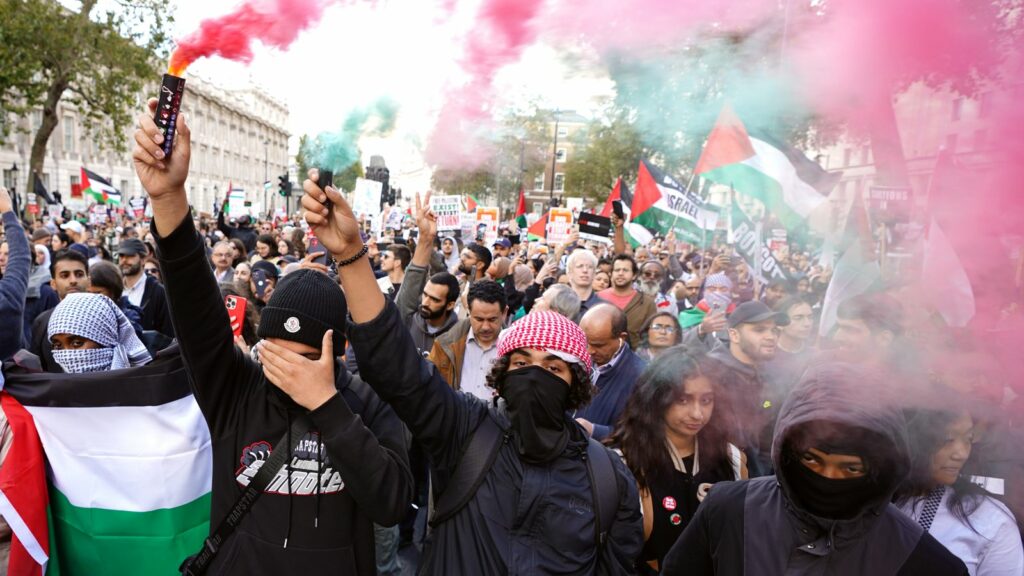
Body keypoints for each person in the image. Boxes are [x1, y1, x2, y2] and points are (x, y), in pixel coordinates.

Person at [299, 170, 643, 572]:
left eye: (552, 367)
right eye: (521, 364)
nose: (535, 376)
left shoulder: (606, 478)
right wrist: (351, 254)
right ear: (502, 374)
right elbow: (395, 366)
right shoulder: (465, 430)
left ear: (576, 384)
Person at [132, 102, 413, 575]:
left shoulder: (368, 404)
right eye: (276, 354)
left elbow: (392, 504)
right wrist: (168, 198)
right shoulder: (237, 390)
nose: (288, 371)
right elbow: (197, 310)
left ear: (338, 351)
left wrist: (328, 406)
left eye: (306, 358)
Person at [661, 362, 969, 575]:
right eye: (812, 460)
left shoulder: (919, 557)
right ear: (788, 453)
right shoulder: (729, 509)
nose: (828, 478)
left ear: (879, 471)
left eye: (850, 469)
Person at [610, 351, 746, 573]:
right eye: (683, 400)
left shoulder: (731, 458)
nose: (697, 414)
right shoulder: (625, 463)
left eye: (706, 400)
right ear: (656, 398)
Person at [895, 410, 1023, 576]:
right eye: (948, 439)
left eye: (969, 438)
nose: (962, 454)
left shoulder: (991, 520)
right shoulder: (875, 500)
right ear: (912, 437)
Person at [703, 301, 788, 477]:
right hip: (717, 479)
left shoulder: (771, 376)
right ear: (734, 335)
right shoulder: (708, 373)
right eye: (759, 330)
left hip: (759, 480)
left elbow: (768, 433)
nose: (771, 337)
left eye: (774, 330)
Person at [394, 195, 460, 356]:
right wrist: (425, 238)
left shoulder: (460, 335)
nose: (425, 302)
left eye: (435, 299)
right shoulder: (410, 320)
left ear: (450, 305)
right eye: (425, 295)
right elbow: (413, 279)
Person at [575, 303, 648, 440]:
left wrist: (594, 430)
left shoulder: (642, 378)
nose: (589, 351)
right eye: (585, 342)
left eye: (598, 345)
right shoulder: (576, 360)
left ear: (622, 338)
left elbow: (640, 434)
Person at [428, 279, 507, 399]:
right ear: (469, 311)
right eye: (479, 319)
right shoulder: (444, 345)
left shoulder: (517, 350)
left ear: (504, 313)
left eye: (492, 319)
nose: (485, 327)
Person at [46, 292, 152, 373]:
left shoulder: (141, 390)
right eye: (58, 346)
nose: (67, 356)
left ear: (107, 340)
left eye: (77, 343)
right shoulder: (58, 393)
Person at [29, 249, 90, 372]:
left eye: (79, 274)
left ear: (89, 280)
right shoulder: (43, 322)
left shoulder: (105, 317)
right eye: (65, 275)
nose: (73, 280)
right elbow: (38, 371)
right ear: (53, 284)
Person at [598, 254, 657, 349]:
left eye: (625, 270)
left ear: (634, 275)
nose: (620, 273)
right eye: (617, 270)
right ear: (611, 274)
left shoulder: (647, 303)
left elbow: (649, 335)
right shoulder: (598, 298)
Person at [118, 237, 174, 336]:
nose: (124, 260)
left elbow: (167, 334)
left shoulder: (159, 292)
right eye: (121, 256)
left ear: (143, 260)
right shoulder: (114, 288)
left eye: (130, 256)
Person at [0, 186, 29, 360]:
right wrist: (7, 212)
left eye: (6, 254)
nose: (2, 258)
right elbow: (20, 257)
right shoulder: (6, 298)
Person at [566, 248, 606, 320]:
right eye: (580, 266)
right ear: (569, 273)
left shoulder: (604, 308)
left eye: (590, 267)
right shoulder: (558, 305)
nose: (585, 270)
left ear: (594, 274)